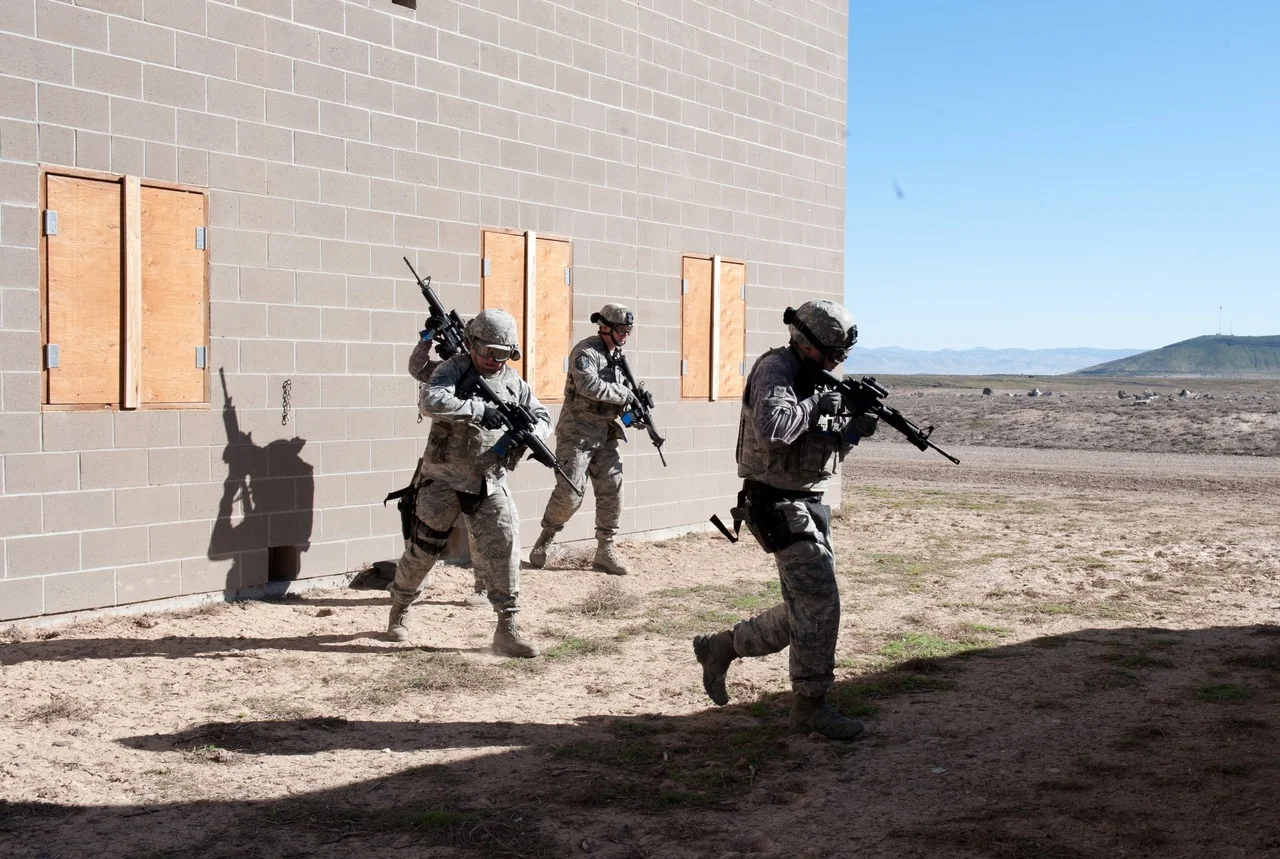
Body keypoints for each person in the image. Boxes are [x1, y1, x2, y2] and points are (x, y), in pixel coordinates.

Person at [692, 300, 878, 739]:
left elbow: (824, 445)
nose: (836, 362)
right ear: (806, 342)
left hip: (808, 503)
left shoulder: (814, 377)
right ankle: (809, 708)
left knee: (806, 608)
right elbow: (774, 430)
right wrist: (818, 402)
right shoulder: (776, 370)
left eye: (842, 355)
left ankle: (721, 647)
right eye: (832, 353)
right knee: (819, 602)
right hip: (776, 503)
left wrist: (854, 427)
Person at [386, 309, 551, 658]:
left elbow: (543, 416)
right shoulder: (453, 369)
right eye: (487, 351)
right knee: (422, 552)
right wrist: (478, 410)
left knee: (505, 546)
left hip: (487, 480)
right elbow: (431, 400)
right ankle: (400, 606)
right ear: (473, 344)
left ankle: (507, 628)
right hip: (442, 478)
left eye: (502, 353)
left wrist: (530, 431)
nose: (493, 359)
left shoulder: (514, 382)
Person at [528, 304, 639, 576]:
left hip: (606, 434)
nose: (625, 334)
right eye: (621, 329)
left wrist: (633, 412)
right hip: (576, 434)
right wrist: (624, 394)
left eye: (628, 330)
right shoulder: (586, 352)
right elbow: (588, 385)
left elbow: (621, 396)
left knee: (613, 489)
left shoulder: (618, 358)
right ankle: (546, 537)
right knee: (570, 494)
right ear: (605, 327)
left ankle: (605, 550)